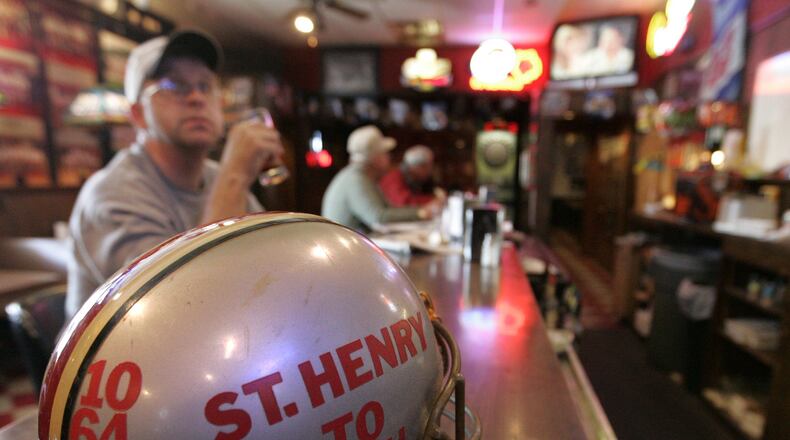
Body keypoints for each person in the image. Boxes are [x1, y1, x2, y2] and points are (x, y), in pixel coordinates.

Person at [66, 30, 284, 319]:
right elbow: (181, 309)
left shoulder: (216, 176)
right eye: (174, 85)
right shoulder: (112, 193)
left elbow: (272, 259)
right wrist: (235, 175)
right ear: (138, 114)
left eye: (205, 85)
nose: (195, 97)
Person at [321, 125, 439, 232]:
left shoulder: (360, 176)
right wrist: (422, 212)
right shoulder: (355, 178)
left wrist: (421, 211)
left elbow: (386, 210)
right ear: (374, 157)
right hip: (346, 253)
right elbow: (378, 217)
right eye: (385, 152)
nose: (389, 157)